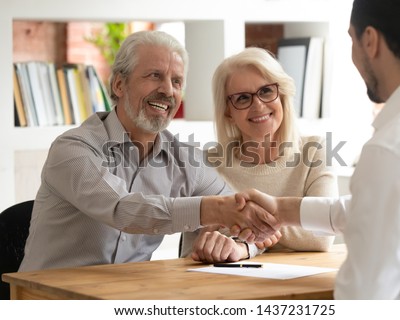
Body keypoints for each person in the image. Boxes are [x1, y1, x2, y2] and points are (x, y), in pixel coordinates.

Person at [236, 0, 400, 299]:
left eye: (351, 39)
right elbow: (376, 207)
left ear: (370, 41)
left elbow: (362, 300)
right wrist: (283, 209)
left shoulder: (392, 149)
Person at [19, 30, 279, 272]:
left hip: (127, 298)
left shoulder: (185, 161)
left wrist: (242, 245)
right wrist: (216, 209)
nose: (167, 90)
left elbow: (246, 220)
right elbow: (123, 209)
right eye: (154, 75)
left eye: (176, 81)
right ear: (119, 85)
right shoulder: (73, 149)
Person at [180, 47, 338, 262]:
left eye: (266, 91)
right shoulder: (205, 164)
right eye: (243, 98)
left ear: (281, 94)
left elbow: (322, 234)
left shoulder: (314, 151)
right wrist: (285, 226)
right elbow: (193, 251)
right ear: (228, 111)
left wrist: (245, 239)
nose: (258, 105)